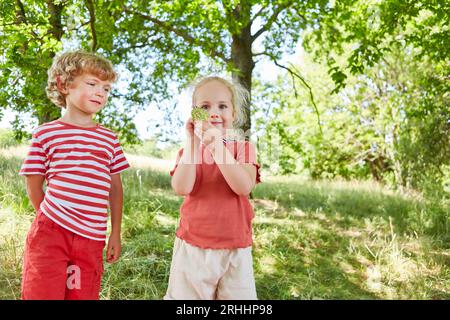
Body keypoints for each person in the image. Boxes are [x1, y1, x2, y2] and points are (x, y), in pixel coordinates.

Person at [19, 50, 130, 300]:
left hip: (92, 236)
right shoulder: (46, 134)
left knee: (82, 295)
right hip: (51, 233)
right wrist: (52, 217)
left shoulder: (109, 139)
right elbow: (34, 182)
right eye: (92, 84)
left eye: (107, 88)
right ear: (63, 84)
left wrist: (115, 232)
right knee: (42, 292)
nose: (101, 92)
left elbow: (115, 188)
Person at [164, 76, 261, 300]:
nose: (214, 113)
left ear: (234, 114)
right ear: (194, 114)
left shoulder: (244, 149)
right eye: (205, 107)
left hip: (235, 247)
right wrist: (193, 143)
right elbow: (181, 187)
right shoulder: (189, 152)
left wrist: (217, 145)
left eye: (223, 106)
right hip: (193, 245)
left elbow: (243, 186)